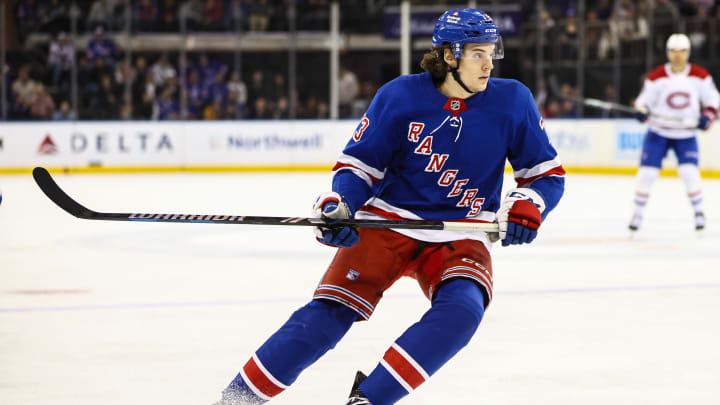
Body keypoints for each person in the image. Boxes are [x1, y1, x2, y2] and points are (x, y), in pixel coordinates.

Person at [214, 9, 565, 405]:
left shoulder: (512, 100)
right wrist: (341, 205)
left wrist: (529, 205)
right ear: (450, 56)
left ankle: (370, 399)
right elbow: (358, 167)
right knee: (327, 315)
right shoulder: (400, 95)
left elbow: (545, 175)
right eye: (478, 54)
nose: (489, 64)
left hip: (461, 232)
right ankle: (236, 399)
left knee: (462, 312)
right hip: (386, 225)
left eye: (491, 53)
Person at [629, 33, 719, 232]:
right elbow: (644, 102)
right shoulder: (656, 76)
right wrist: (641, 112)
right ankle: (637, 214)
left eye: (681, 52)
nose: (677, 56)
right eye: (673, 51)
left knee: (689, 173)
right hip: (658, 132)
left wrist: (708, 116)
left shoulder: (700, 75)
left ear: (688, 53)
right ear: (668, 53)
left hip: (685, 133)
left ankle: (699, 213)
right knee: (647, 174)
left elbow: (713, 100)